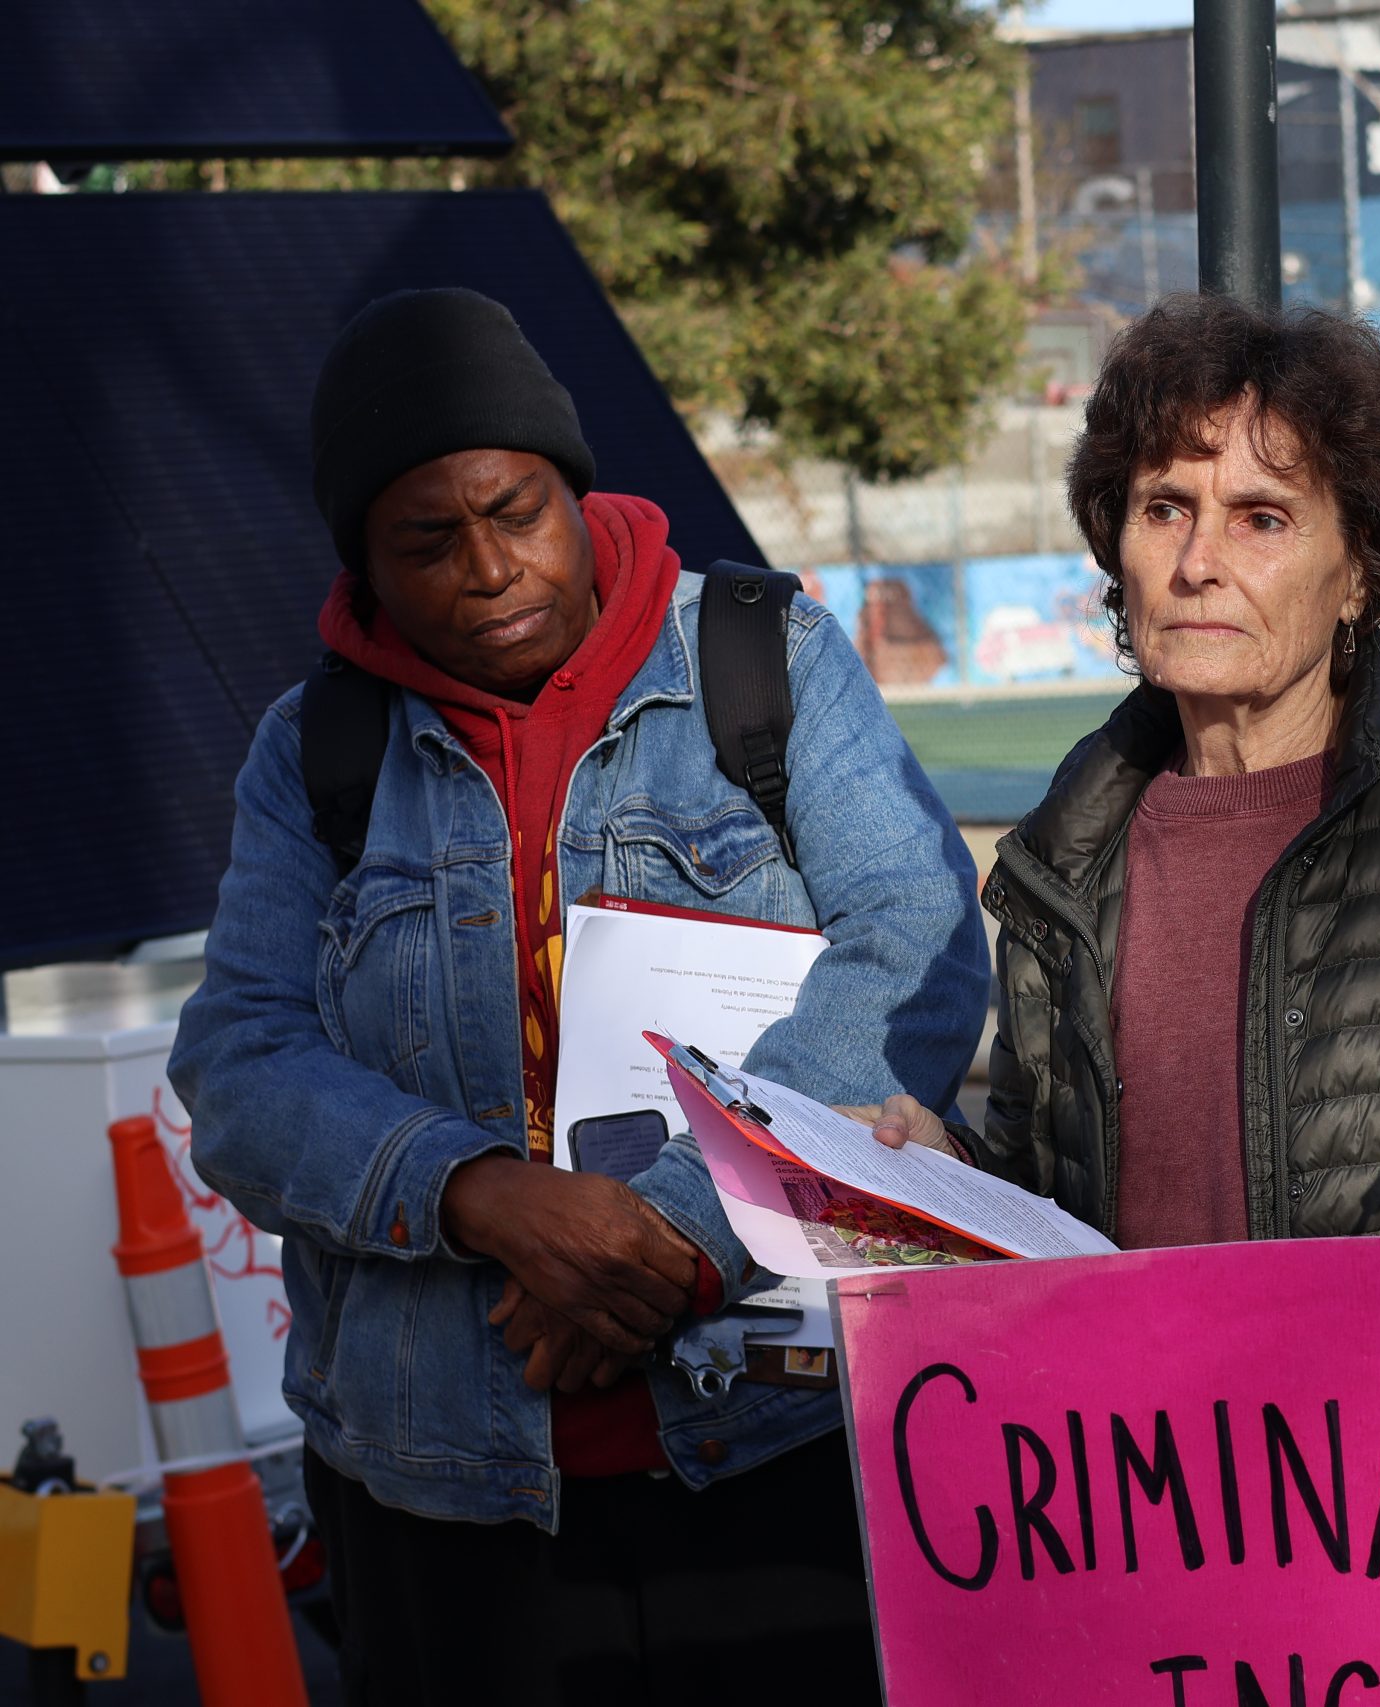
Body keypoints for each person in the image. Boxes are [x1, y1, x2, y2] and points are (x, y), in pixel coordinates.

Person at [168, 289, 988, 1705]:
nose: (490, 566)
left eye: (516, 509)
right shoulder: (316, 753)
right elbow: (237, 1060)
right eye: (429, 540)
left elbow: (912, 942)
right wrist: (478, 1191)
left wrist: (678, 1227)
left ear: (572, 487)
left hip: (777, 1448)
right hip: (439, 1489)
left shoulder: (761, 661)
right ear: (363, 565)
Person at [875, 294, 1380, 1244]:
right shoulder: (1069, 846)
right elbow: (1054, 1217)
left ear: (1357, 571)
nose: (1196, 563)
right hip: (1133, 1392)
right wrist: (950, 1183)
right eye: (1164, 509)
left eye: (1261, 519)